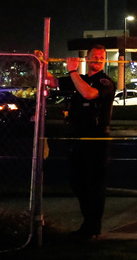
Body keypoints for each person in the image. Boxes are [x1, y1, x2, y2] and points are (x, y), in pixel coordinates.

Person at [49, 45, 116, 241]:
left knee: (94, 184)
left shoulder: (105, 81)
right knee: (78, 183)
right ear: (87, 59)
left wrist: (72, 71)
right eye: (94, 56)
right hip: (77, 137)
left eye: (101, 57)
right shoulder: (80, 79)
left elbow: (88, 94)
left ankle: (92, 228)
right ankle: (88, 225)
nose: (98, 59)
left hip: (96, 138)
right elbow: (51, 82)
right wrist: (40, 63)